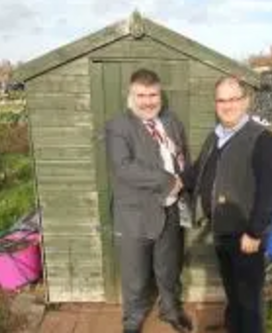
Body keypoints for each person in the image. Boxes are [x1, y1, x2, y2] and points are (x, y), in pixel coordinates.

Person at [182, 76, 272, 333]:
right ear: (216, 104)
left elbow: (270, 192)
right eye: (222, 100)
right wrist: (173, 183)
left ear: (246, 101)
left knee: (249, 300)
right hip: (221, 231)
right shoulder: (215, 136)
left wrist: (255, 231)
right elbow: (197, 172)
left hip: (246, 235)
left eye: (234, 99)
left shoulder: (261, 139)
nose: (228, 106)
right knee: (233, 292)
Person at [104, 69, 193, 333]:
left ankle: (170, 310)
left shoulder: (172, 121)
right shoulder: (118, 126)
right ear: (131, 95)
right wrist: (168, 181)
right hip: (135, 215)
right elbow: (123, 168)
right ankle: (132, 320)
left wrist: (185, 184)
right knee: (135, 275)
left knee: (169, 268)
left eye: (152, 94)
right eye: (141, 95)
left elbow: (182, 156)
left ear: (160, 94)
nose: (147, 101)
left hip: (171, 210)